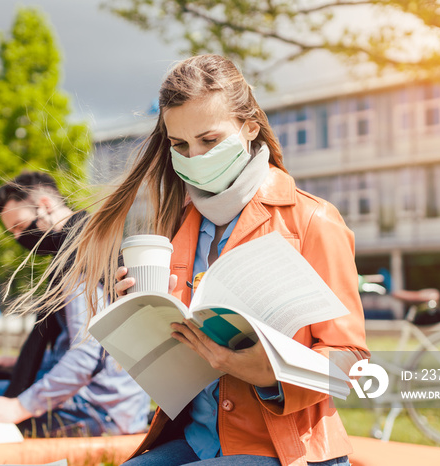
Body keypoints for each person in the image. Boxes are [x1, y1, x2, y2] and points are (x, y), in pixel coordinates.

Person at [33, 54, 369, 464]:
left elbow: (349, 361)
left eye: (209, 141)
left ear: (249, 127)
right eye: (180, 145)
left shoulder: (313, 219)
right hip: (198, 439)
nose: (193, 158)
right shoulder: (178, 224)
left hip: (283, 450)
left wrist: (267, 373)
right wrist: (138, 316)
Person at [0, 171, 151, 438]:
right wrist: (17, 363)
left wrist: (19, 407)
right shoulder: (90, 242)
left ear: (45, 205)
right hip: (117, 403)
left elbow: (86, 357)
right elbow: (87, 347)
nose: (17, 238)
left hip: (100, 410)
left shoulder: (78, 260)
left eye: (19, 226)